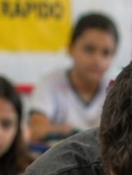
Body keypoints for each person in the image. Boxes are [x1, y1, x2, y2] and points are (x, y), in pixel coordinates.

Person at [25, 13, 118, 141]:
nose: (97, 60)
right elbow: (36, 131)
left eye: (106, 53)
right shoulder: (50, 83)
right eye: (89, 49)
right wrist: (73, 132)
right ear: (70, 49)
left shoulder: (117, 89)